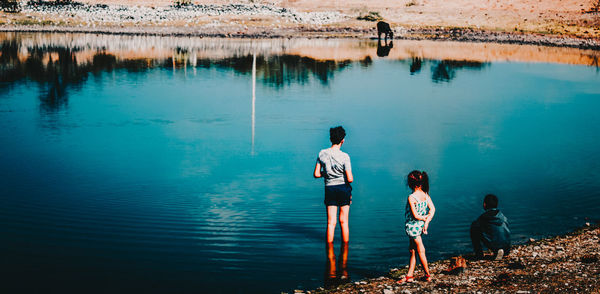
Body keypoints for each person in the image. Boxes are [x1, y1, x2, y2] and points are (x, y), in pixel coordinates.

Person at [314, 126, 353, 244]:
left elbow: (316, 174)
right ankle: (345, 250)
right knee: (344, 221)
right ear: (343, 140)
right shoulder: (345, 156)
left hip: (329, 188)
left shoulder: (322, 153)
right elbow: (350, 179)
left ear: (330, 139)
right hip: (343, 188)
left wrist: (325, 174)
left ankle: (329, 251)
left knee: (331, 223)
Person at [398, 170, 436, 283]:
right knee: (412, 250)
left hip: (413, 227)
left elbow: (415, 215)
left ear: (410, 184)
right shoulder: (425, 194)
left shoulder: (412, 197)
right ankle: (409, 275)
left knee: (420, 250)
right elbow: (433, 209)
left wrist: (424, 219)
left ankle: (428, 274)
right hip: (419, 226)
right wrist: (427, 221)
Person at [470, 194, 511, 260]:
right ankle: (503, 251)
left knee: (474, 227)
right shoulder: (502, 216)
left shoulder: (483, 218)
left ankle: (479, 255)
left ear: (484, 204)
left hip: (494, 245)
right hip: (507, 246)